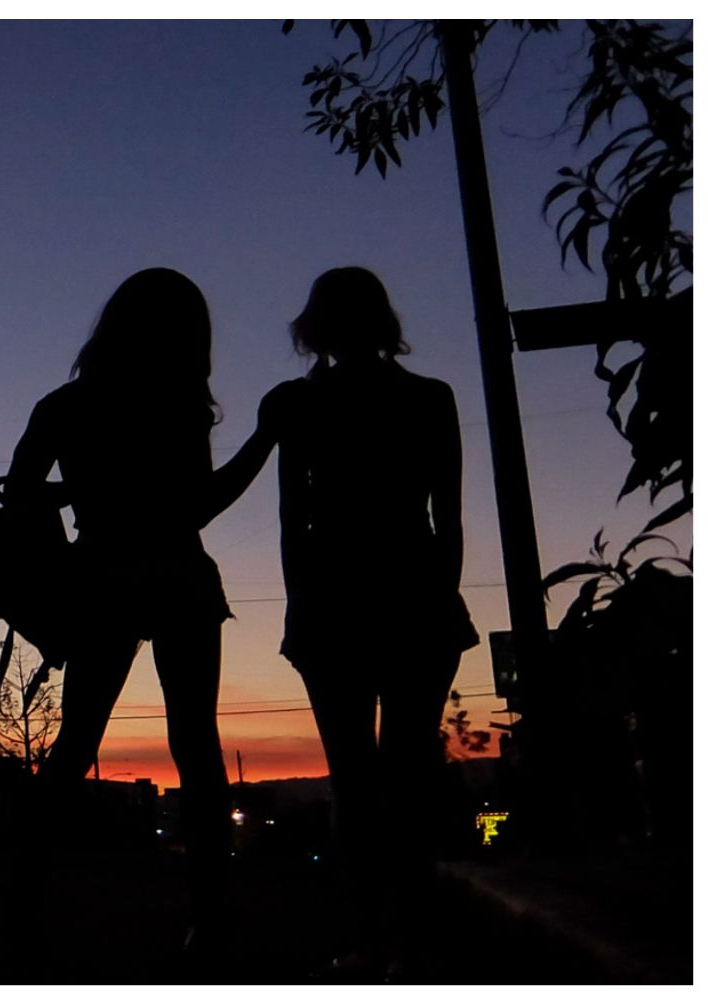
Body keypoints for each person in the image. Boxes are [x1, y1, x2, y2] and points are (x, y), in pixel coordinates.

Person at [5, 267, 278, 948]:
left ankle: (24, 906)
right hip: (180, 575)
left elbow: (19, 494)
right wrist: (263, 441)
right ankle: (210, 918)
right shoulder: (176, 406)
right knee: (197, 747)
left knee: (74, 744)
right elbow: (199, 506)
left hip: (101, 576)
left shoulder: (63, 406)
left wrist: (78, 501)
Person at [269, 267, 477, 978]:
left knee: (353, 780)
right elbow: (445, 517)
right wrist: (441, 594)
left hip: (333, 600)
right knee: (409, 773)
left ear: (315, 326)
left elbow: (294, 521)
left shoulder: (304, 404)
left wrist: (301, 605)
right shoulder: (428, 397)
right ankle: (413, 938)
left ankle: (371, 940)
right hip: (414, 591)